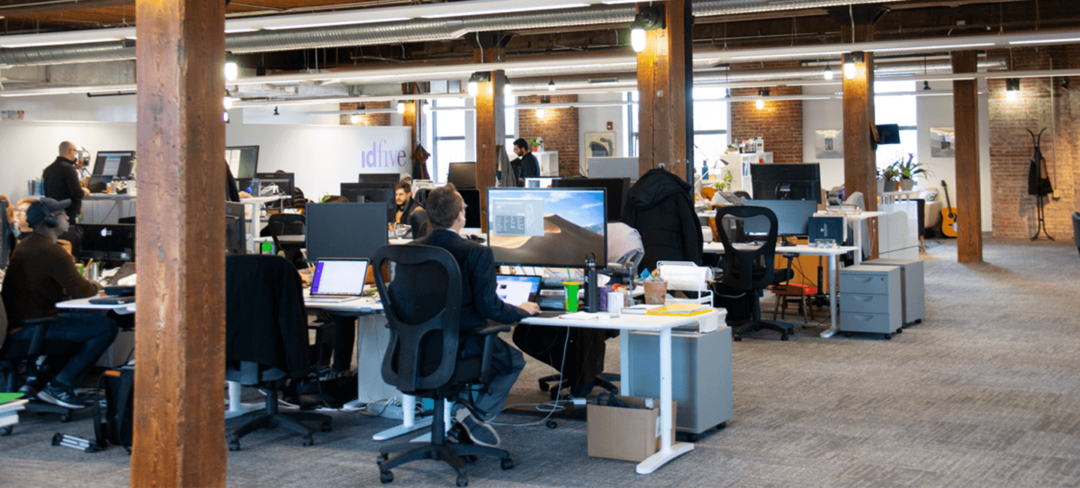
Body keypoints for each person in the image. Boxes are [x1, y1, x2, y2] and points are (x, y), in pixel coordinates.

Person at [406, 184, 540, 447]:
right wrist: (520, 311)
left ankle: (462, 412)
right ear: (460, 216)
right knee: (513, 362)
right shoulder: (477, 252)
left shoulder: (409, 249)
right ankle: (471, 420)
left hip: (414, 348)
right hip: (461, 344)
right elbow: (490, 308)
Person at [1, 198, 119, 409]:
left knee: (82, 324)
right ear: (50, 221)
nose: (67, 217)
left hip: (20, 325)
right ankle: (60, 384)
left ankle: (41, 382)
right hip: (34, 327)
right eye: (62, 214)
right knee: (106, 326)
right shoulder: (52, 251)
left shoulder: (27, 245)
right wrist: (97, 286)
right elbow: (81, 292)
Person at [42, 141, 86, 223]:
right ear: (71, 151)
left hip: (53, 213)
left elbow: (46, 193)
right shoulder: (69, 169)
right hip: (68, 214)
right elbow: (77, 194)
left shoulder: (48, 169)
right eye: (75, 151)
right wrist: (84, 191)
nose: (75, 154)